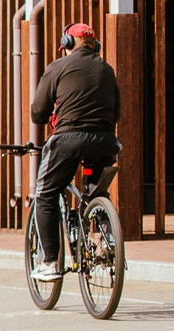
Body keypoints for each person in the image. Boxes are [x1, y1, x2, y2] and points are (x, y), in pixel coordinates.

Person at [28, 22, 121, 282]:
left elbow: (37, 113)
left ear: (68, 45)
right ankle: (109, 239)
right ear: (95, 46)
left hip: (68, 141)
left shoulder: (57, 67)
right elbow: (117, 113)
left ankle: (49, 263)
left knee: (45, 193)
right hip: (105, 141)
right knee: (97, 192)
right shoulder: (107, 70)